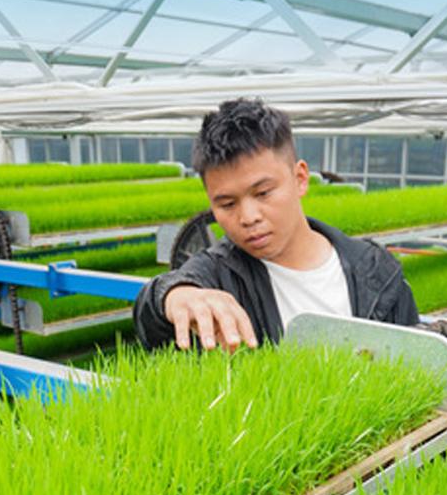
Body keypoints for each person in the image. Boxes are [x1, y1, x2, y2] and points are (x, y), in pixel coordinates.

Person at [133, 98, 418, 352]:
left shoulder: (377, 269)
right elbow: (153, 310)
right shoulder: (219, 275)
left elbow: (417, 367)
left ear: (300, 179)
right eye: (227, 204)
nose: (248, 217)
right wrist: (173, 295)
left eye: (263, 193)